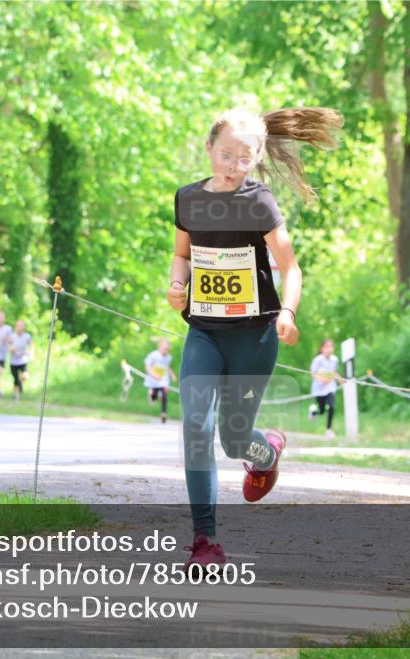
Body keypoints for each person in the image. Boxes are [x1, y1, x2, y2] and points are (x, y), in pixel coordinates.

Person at [168, 107, 340, 573]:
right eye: (225, 154)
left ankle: (266, 454)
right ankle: (205, 540)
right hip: (204, 332)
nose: (232, 165)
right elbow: (182, 255)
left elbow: (291, 268)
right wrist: (177, 284)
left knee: (234, 438)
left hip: (254, 336)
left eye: (244, 159)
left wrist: (287, 311)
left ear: (257, 156)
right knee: (196, 428)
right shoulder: (187, 199)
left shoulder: (259, 202)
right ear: (208, 148)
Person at [309, 338, 341, 438]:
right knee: (322, 411)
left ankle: (328, 430)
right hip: (319, 389)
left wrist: (341, 380)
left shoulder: (335, 359)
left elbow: (334, 372)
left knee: (332, 407)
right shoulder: (318, 359)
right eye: (327, 347)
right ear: (322, 348)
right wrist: (321, 379)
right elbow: (312, 372)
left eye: (331, 347)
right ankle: (313, 411)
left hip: (330, 387)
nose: (329, 349)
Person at [144, 338, 178, 423]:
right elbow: (147, 366)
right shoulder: (153, 355)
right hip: (153, 379)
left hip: (163, 379)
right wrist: (153, 374)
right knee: (154, 397)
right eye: (164, 348)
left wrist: (172, 374)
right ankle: (152, 395)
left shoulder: (169, 357)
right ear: (160, 347)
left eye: (167, 349)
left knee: (164, 395)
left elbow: (167, 367)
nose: (166, 350)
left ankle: (163, 413)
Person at [8, 320, 33, 401]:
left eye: (22, 326)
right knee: (15, 379)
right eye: (18, 326)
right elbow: (9, 347)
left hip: (23, 360)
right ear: (16, 327)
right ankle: (16, 395)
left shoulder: (27, 336)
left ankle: (20, 384)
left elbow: (31, 345)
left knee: (25, 376)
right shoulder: (12, 336)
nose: (20, 328)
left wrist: (31, 354)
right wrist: (12, 349)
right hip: (13, 362)